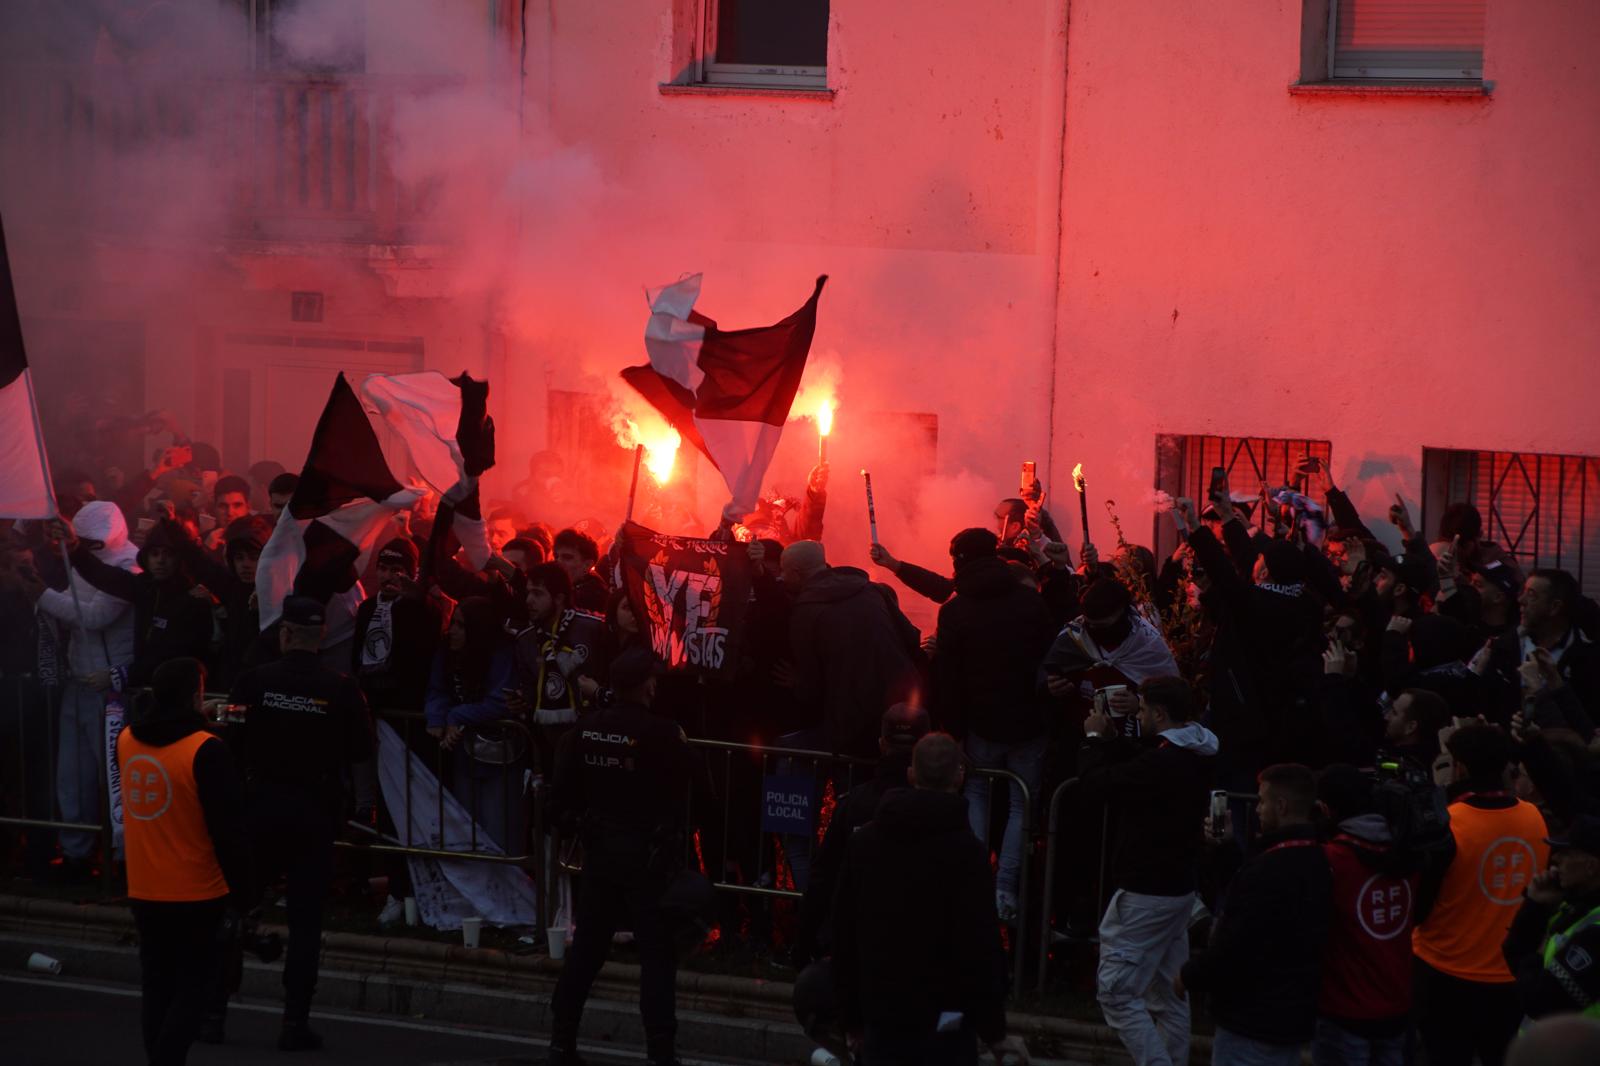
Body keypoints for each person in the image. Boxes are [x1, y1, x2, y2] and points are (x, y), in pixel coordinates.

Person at [227, 595, 375, 1050]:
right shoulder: (343, 688)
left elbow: (229, 740)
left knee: (234, 909)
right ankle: (294, 1023)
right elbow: (361, 750)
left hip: (260, 806)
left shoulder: (251, 682)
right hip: (314, 812)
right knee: (306, 921)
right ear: (322, 636)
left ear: (285, 633)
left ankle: (213, 1012)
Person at [831, 732, 1029, 1066]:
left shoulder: (865, 843)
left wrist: (850, 1018)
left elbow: (844, 931)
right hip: (946, 1020)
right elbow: (979, 945)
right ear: (959, 776)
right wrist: (994, 1031)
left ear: (911, 774)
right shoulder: (968, 853)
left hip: (882, 1013)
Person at [547, 647, 695, 1066]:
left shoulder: (585, 730)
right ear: (647, 684)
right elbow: (693, 779)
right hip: (646, 859)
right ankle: (660, 1051)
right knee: (657, 956)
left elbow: (558, 802)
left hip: (601, 856)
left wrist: (585, 824)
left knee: (587, 952)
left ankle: (561, 1042)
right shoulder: (663, 733)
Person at [1078, 675, 1217, 1066]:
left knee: (1116, 993)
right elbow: (1144, 762)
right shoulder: (1194, 751)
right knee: (1166, 992)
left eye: (1141, 710)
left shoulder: (1165, 762)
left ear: (1158, 712)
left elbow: (1096, 785)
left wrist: (1091, 741)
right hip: (1177, 890)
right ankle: (1173, 1057)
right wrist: (1113, 739)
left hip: (1145, 891)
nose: (1138, 716)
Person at [119, 657, 248, 1066]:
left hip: (143, 885)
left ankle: (157, 1055)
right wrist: (244, 892)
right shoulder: (207, 751)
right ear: (196, 695)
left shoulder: (127, 740)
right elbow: (228, 829)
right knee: (196, 985)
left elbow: (159, 727)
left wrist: (194, 719)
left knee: (156, 983)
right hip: (197, 889)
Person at [932, 527, 1056, 922]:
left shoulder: (955, 610)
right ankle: (1006, 889)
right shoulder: (1028, 602)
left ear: (961, 560)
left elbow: (947, 675)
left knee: (977, 796)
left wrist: (951, 727)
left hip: (980, 722)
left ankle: (974, 880)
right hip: (1027, 721)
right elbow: (1047, 656)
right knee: (1022, 803)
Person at [1412, 723, 1549, 1066]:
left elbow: (1419, 902)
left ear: (1459, 767)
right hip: (1508, 972)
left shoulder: (1450, 822)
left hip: (1444, 968)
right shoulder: (1534, 817)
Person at [1179, 764, 1331, 1065]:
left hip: (1253, 1017)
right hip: (1287, 1014)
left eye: (1262, 801)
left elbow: (1240, 941)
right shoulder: (1314, 858)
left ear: (1282, 806)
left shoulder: (1273, 868)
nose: (1258, 808)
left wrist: (1190, 975)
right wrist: (1224, 849)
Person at [26, 502, 139, 878]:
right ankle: (77, 854)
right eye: (82, 543)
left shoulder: (129, 565)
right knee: (72, 776)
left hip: (111, 691)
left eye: (93, 544)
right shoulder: (80, 557)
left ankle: (122, 857)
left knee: (114, 778)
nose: (86, 550)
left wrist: (39, 593)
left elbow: (93, 616)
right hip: (79, 679)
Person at [794, 702, 931, 970]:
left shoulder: (854, 804)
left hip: (858, 945)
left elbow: (822, 877)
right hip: (918, 951)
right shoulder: (941, 810)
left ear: (882, 744)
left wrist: (804, 944)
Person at [1311, 765, 1421, 1066]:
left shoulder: (1332, 859)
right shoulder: (1408, 852)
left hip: (1344, 1009)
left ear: (1325, 809)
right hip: (1397, 1003)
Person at [782, 540, 923, 759]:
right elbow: (912, 638)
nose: (782, 577)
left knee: (852, 781)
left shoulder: (806, 611)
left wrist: (797, 684)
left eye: (784, 571)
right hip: (903, 706)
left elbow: (812, 684)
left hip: (851, 718)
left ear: (797, 573)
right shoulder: (872, 590)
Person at [425, 597, 521, 852]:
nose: (452, 630)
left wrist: (456, 717)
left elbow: (501, 701)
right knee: (466, 834)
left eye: (460, 625)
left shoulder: (501, 653)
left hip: (498, 760)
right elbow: (437, 689)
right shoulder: (446, 652)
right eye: (453, 623)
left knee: (498, 836)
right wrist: (436, 717)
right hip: (462, 756)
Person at [1502, 812, 1600, 1020]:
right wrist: (1536, 905)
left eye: (1567, 853)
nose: (1556, 858)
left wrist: (1538, 952)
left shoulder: (1595, 932)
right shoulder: (1574, 905)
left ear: (1591, 866)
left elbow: (1540, 1002)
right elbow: (1514, 953)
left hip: (1577, 1050)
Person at [552, 527, 608, 611]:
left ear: (587, 565)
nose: (558, 562)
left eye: (567, 557)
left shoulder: (592, 596)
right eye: (556, 557)